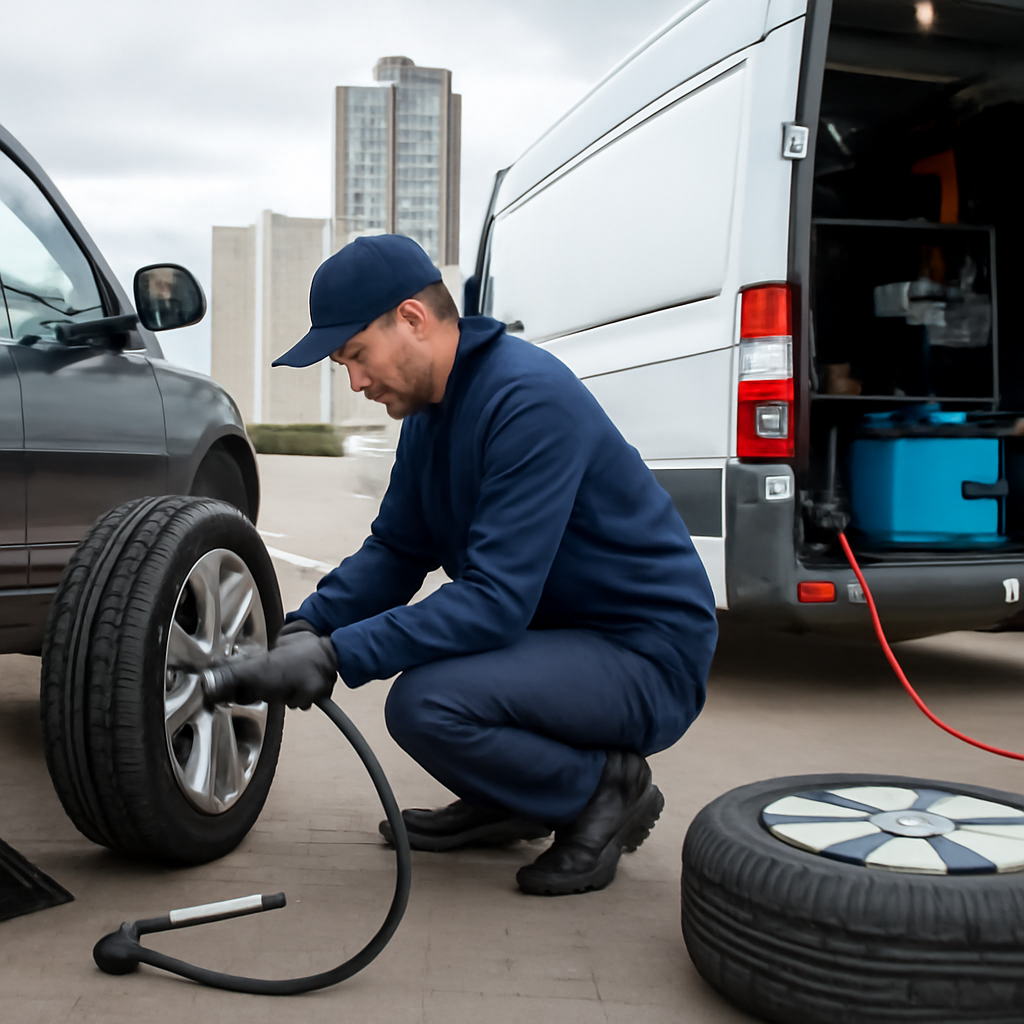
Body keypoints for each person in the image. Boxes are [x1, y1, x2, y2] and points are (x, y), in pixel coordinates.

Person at [258, 233, 718, 895]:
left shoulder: (527, 399)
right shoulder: (428, 418)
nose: (355, 381)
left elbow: (495, 600)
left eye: (357, 354)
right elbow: (397, 550)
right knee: (431, 692)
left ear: (412, 319)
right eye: (343, 364)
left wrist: (335, 658)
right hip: (556, 639)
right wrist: (302, 628)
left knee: (430, 702)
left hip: (643, 653)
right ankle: (515, 799)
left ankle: (604, 791)